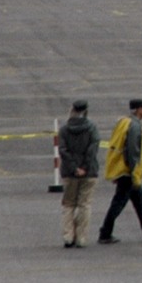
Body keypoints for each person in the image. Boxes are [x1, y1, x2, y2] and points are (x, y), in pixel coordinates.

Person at [99, 99, 142, 244]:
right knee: (118, 203)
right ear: (138, 110)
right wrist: (134, 173)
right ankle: (105, 233)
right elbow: (132, 152)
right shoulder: (135, 126)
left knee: (140, 198)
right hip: (128, 171)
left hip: (122, 169)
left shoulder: (124, 122)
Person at [56, 100, 101, 249]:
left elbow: (63, 150)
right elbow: (92, 150)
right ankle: (81, 238)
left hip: (69, 172)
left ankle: (68, 236)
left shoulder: (64, 130)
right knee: (84, 204)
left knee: (68, 204)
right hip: (89, 172)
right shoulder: (92, 128)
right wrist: (85, 167)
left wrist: (75, 168)